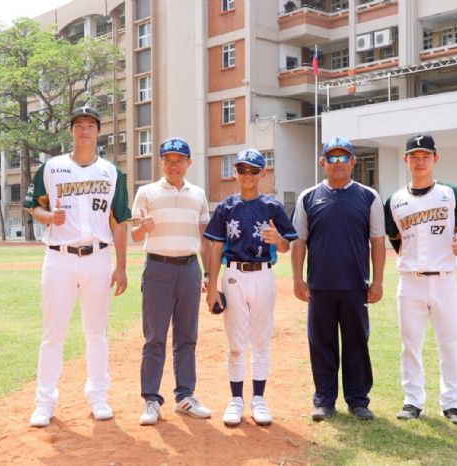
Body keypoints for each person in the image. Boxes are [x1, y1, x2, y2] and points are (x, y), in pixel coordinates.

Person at [24, 105, 131, 428]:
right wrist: (48, 217)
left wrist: (122, 266)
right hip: (59, 257)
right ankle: (45, 402)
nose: (85, 130)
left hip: (99, 258)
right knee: (53, 332)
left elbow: (119, 221)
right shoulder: (51, 168)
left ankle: (98, 397)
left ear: (99, 131)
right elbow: (32, 207)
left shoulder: (112, 172)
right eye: (79, 125)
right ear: (71, 131)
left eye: (90, 125)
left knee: (96, 331)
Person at [384, 134, 457, 425]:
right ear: (406, 160)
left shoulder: (451, 193)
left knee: (448, 343)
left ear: (435, 158)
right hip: (410, 281)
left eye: (425, 155)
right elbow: (394, 237)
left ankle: (451, 403)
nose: (420, 160)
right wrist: (411, 259)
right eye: (414, 156)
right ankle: (413, 401)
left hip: (445, 279)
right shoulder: (395, 200)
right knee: (410, 344)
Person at [291, 136, 386, 421]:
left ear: (353, 161)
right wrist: (297, 278)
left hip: (356, 285)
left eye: (343, 157)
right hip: (319, 286)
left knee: (357, 342)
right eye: (331, 158)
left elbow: (378, 241)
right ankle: (324, 400)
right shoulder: (308, 197)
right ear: (322, 163)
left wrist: (378, 280)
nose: (337, 163)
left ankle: (358, 401)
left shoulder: (369, 196)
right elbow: (299, 242)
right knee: (322, 344)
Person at [204, 149, 298, 427]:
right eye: (242, 170)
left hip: (263, 275)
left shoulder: (272, 206)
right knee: (235, 343)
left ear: (263, 173)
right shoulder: (225, 207)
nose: (248, 175)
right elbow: (215, 246)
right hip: (233, 274)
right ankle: (235, 400)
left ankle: (258, 399)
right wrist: (211, 286)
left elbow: (285, 246)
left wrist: (277, 238)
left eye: (253, 170)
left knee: (260, 339)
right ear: (235, 172)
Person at [131, 137, 212, 426]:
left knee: (187, 337)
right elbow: (136, 235)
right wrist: (143, 229)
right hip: (158, 269)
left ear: (189, 162)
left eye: (179, 159)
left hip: (189, 269)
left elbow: (204, 240)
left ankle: (185, 397)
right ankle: (151, 399)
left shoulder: (198, 195)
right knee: (154, 337)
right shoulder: (147, 192)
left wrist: (208, 274)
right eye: (168, 159)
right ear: (161, 162)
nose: (173, 164)